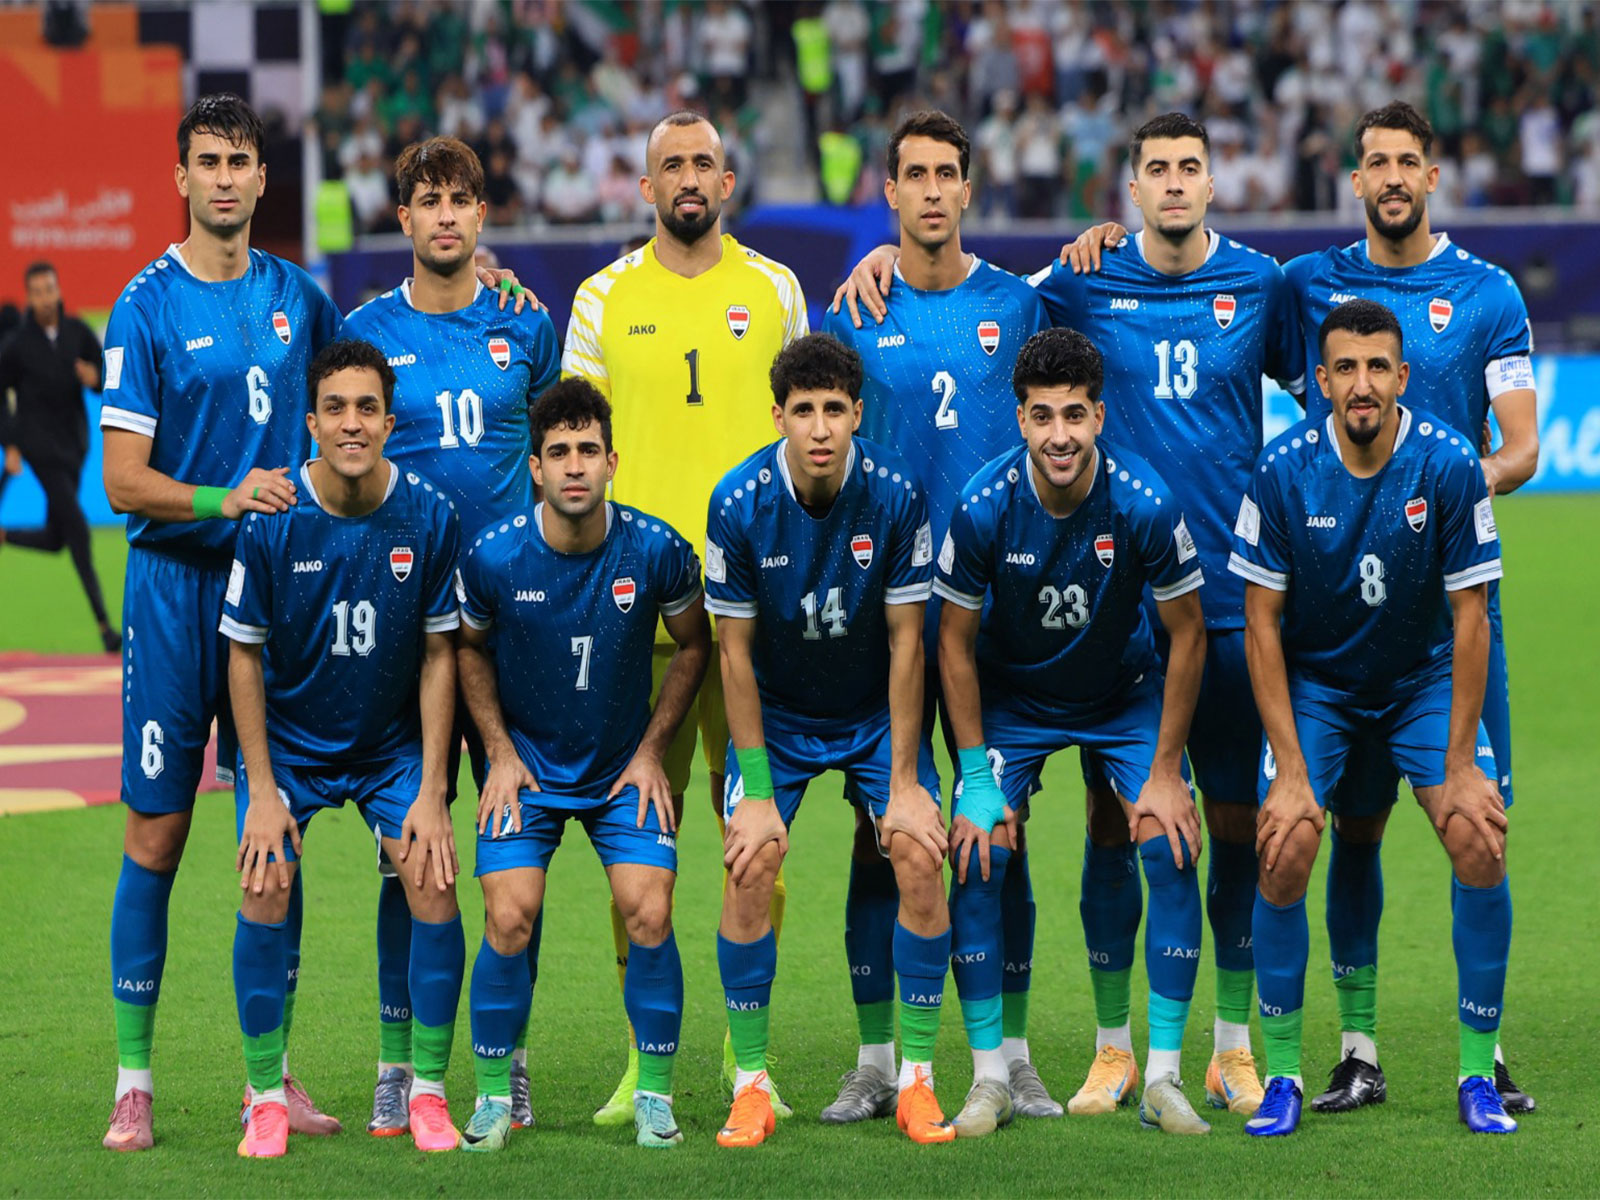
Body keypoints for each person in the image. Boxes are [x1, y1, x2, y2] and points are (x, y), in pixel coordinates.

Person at [834, 112, 1305, 1118]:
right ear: (1128, 189)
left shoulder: (1263, 285)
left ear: (1214, 180)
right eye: (1157, 170)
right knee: (1043, 827)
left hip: (1217, 602)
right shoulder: (1074, 284)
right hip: (1047, 609)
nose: (1174, 184)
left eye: (1191, 167)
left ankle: (1229, 1048)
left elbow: (1341, 381)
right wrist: (888, 254)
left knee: (1219, 824)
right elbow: (968, 298)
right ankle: (1092, 1053)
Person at [1280, 102, 1537, 1115]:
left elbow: (1519, 445)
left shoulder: (1486, 295)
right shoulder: (1307, 288)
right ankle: (1354, 1048)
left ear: (1433, 176)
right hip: (1334, 621)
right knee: (1351, 835)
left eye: (1406, 162)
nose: (1390, 176)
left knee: (1481, 823)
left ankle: (1489, 1052)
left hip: (1449, 616)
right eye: (1374, 162)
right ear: (1355, 180)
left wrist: (1430, 495)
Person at [98, 94, 343, 1153]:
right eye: (209, 162)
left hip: (275, 600)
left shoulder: (303, 298)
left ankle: (270, 1078)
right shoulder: (143, 306)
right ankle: (133, 1081)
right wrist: (223, 498)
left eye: (243, 160)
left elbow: (359, 398)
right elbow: (120, 480)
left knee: (271, 841)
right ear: (182, 179)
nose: (229, 179)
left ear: (259, 177)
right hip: (172, 593)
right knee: (156, 835)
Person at [562, 109, 808, 1122]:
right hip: (644, 623)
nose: (689, 177)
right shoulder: (602, 297)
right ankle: (643, 1057)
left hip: (754, 618)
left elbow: (813, 427)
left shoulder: (777, 290)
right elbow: (577, 452)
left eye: (704, 161)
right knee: (639, 842)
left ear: (730, 180)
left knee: (752, 830)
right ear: (645, 187)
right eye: (671, 165)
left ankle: (744, 1055)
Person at [819, 109, 1057, 1126]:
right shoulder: (851, 315)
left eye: (945, 174)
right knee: (884, 836)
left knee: (998, 837)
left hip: (992, 621)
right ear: (889, 194)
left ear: (968, 191)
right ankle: (878, 1061)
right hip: (886, 624)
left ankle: (1008, 1054)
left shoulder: (1020, 304)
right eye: (911, 174)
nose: (928, 190)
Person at [1229, 299, 1514, 1137]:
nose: (1362, 384)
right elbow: (1260, 622)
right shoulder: (1283, 470)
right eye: (1345, 368)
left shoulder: (1450, 464)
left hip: (1421, 679)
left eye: (1377, 367)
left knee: (1477, 833)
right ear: (1319, 382)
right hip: (1321, 685)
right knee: (1283, 846)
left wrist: (1461, 764)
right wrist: (1287, 769)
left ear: (1403, 377)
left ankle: (1477, 1073)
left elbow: (1471, 619)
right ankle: (1282, 1074)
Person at [936, 327, 1211, 1135]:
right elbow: (951, 642)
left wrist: (1164, 769)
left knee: (1167, 838)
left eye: (1075, 416)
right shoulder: (985, 505)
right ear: (1020, 419)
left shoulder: (1143, 502)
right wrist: (978, 777)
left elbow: (1189, 635)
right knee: (978, 848)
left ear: (1099, 415)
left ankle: (1161, 1076)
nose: (1060, 435)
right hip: (1014, 700)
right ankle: (990, 1076)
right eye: (1043, 416)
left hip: (1120, 694)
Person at [341, 135, 560, 1136]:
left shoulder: (526, 324)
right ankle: (400, 1060)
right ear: (403, 218)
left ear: (483, 215)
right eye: (426, 200)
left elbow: (565, 458)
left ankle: (506, 1055)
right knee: (411, 850)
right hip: (406, 632)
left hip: (515, 626)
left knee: (514, 850)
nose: (444, 216)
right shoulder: (363, 331)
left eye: (460, 200)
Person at [706, 333, 950, 1147]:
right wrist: (756, 791)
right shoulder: (736, 502)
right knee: (750, 861)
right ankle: (751, 1085)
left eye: (834, 410)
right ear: (777, 415)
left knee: (916, 849)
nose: (818, 428)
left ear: (857, 414)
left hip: (874, 712)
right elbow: (732, 654)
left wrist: (907, 781)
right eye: (802, 411)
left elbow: (909, 640)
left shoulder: (896, 493)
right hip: (777, 715)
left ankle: (913, 1078)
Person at [455, 379, 710, 1152]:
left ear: (612, 463)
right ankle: (495, 1099)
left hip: (618, 773)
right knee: (508, 917)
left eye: (587, 452)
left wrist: (651, 751)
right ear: (535, 467)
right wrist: (497, 753)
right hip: (525, 771)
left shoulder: (657, 549)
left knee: (651, 911)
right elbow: (467, 648)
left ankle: (656, 1098)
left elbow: (695, 643)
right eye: (558, 453)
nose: (574, 466)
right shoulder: (494, 555)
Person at [224, 337, 465, 1157]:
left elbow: (441, 656)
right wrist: (259, 790)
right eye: (336, 408)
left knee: (433, 879)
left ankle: (426, 1092)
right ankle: (265, 1094)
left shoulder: (429, 515)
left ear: (390, 422)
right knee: (264, 884)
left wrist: (432, 791)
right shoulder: (274, 518)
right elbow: (243, 654)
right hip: (289, 747)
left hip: (390, 745)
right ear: (312, 422)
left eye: (367, 408)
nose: (352, 423)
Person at [0, 261, 119, 651]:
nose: (44, 297)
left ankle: (4, 534)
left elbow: (109, 376)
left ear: (57, 289)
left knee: (56, 538)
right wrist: (12, 444)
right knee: (79, 529)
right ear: (30, 297)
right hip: (38, 445)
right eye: (36, 292)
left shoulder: (78, 333)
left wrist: (96, 379)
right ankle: (105, 628)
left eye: (49, 288)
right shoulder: (17, 346)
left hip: (74, 447)